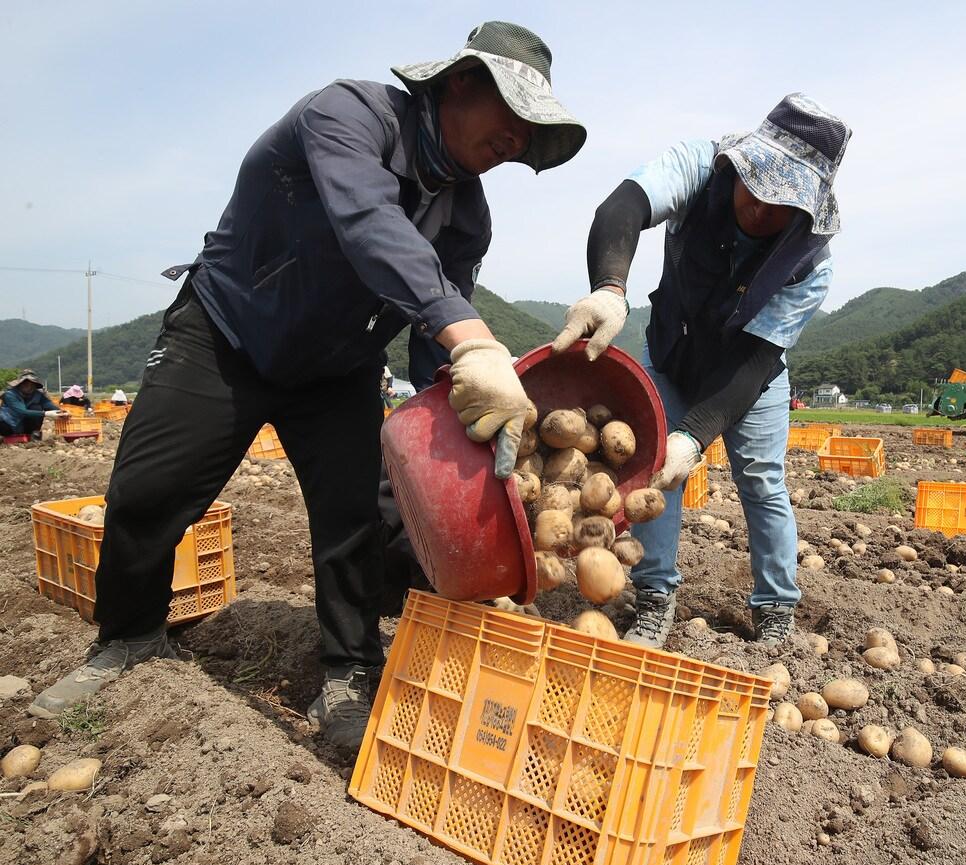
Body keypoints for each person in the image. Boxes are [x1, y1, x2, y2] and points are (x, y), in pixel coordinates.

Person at [28, 21, 585, 747]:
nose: (516, 139)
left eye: (530, 131)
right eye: (511, 114)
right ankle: (129, 639)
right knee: (149, 494)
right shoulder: (348, 116)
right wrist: (472, 335)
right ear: (459, 82)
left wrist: (459, 402)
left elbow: (430, 340)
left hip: (336, 371)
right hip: (226, 333)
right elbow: (368, 224)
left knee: (353, 517)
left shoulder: (467, 215)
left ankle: (350, 670)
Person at [552, 93, 849, 648]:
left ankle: (776, 607)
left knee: (762, 482)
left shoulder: (811, 264)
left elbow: (759, 357)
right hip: (672, 355)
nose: (758, 209)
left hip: (747, 376)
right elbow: (622, 208)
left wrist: (697, 432)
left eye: (780, 204)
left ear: (807, 209)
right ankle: (655, 596)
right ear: (740, 167)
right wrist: (610, 288)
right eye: (754, 187)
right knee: (655, 471)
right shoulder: (697, 165)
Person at [1, 370, 61, 438]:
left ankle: (33, 434)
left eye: (32, 384)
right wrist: (46, 413)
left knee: (36, 407)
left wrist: (61, 412)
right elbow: (22, 412)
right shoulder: (10, 395)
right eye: (25, 383)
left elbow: (49, 405)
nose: (29, 387)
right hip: (8, 423)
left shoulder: (38, 394)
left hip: (24, 425)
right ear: (19, 384)